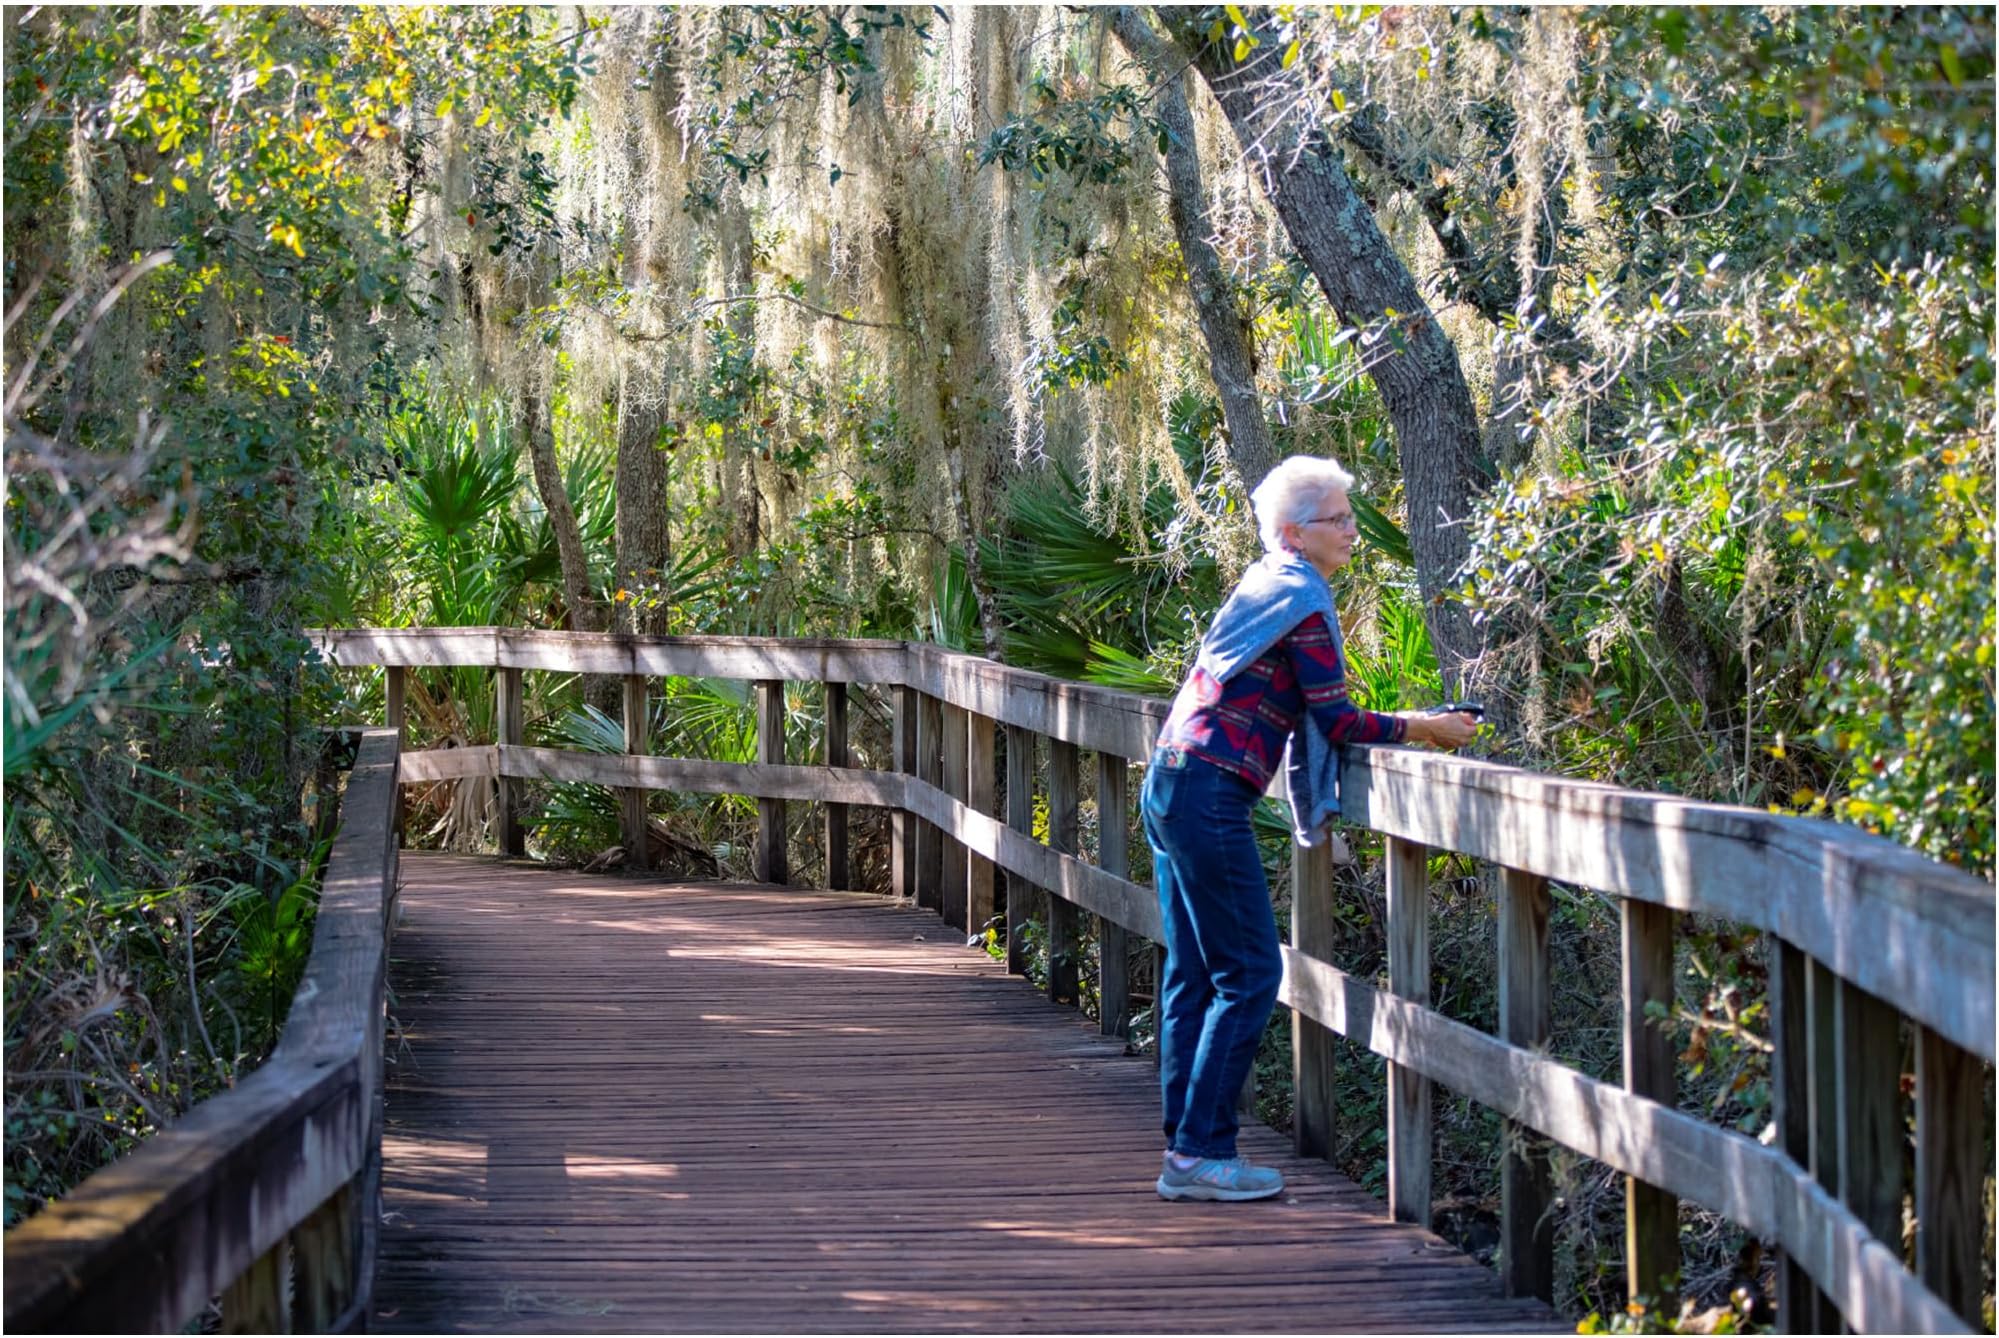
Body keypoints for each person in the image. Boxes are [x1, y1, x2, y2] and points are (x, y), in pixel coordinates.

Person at [1147, 455, 1479, 1202]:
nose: (1353, 533)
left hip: (1170, 780)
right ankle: (1198, 1154)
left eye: (1350, 518)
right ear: (1295, 534)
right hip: (1206, 793)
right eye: (1340, 520)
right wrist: (1425, 726)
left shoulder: (1264, 585)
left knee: (1196, 976)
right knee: (1253, 973)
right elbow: (1338, 718)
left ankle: (1186, 1147)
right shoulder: (1298, 597)